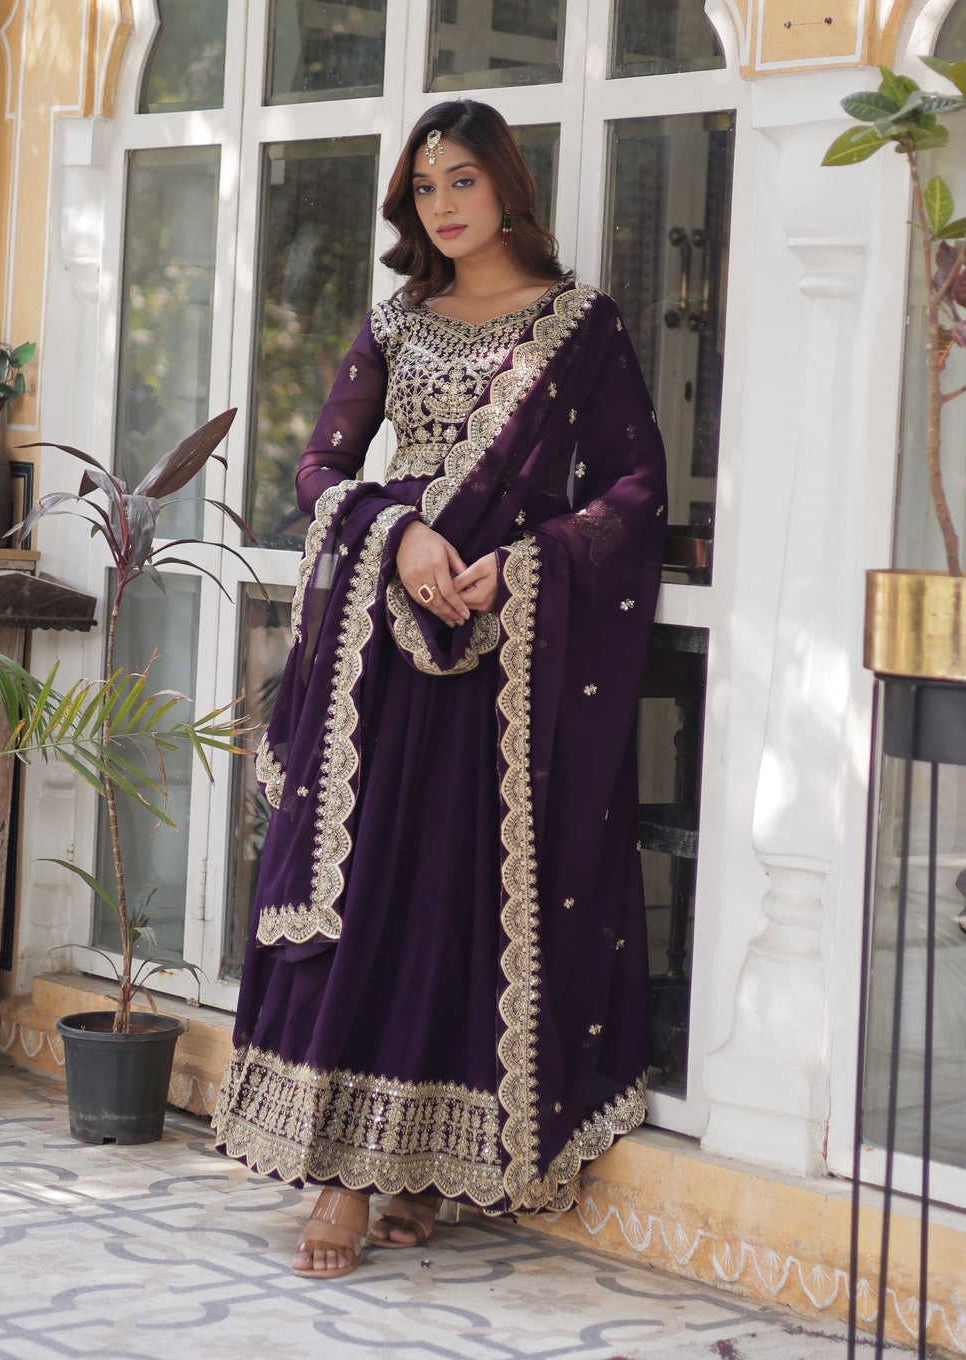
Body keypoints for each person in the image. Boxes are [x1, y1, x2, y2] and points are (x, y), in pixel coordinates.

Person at [213, 99, 668, 1278]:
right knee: (364, 896)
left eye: (461, 180)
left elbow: (631, 489)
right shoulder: (395, 323)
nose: (443, 205)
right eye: (424, 188)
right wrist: (401, 528)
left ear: (506, 186)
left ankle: (418, 1165)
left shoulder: (580, 327)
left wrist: (524, 563)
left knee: (454, 906)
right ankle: (343, 1179)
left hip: (503, 665)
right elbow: (319, 465)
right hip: (380, 651)